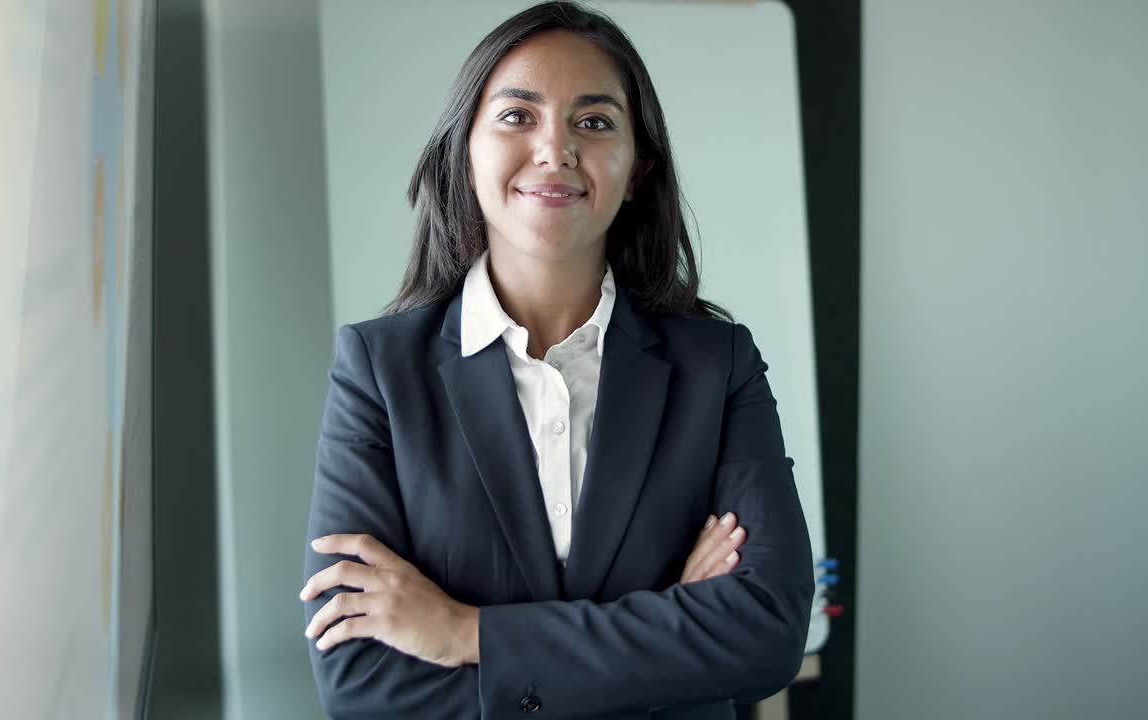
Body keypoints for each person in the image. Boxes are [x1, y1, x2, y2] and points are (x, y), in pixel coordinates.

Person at [300, 2, 813, 718]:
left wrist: (463, 632)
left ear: (637, 170)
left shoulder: (717, 365)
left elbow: (766, 634)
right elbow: (360, 685)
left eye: (595, 121)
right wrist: (667, 633)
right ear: (466, 150)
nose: (556, 149)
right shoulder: (380, 372)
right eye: (517, 116)